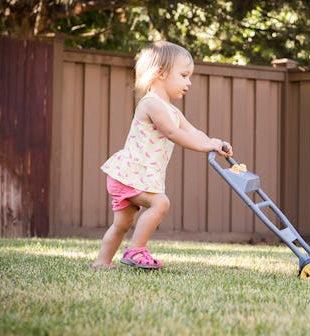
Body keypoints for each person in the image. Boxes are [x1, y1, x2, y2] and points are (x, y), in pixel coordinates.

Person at [91, 41, 233, 269]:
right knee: (160, 203)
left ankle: (102, 263)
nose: (189, 82)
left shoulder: (172, 110)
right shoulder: (151, 104)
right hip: (131, 173)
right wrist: (203, 147)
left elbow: (193, 132)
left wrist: (214, 143)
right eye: (184, 75)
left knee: (122, 224)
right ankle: (136, 251)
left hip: (134, 176)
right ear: (160, 73)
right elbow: (172, 132)